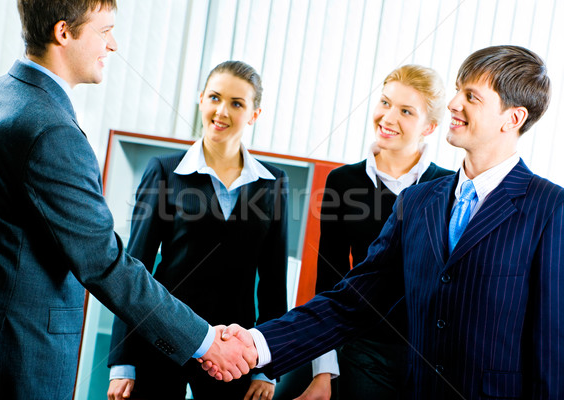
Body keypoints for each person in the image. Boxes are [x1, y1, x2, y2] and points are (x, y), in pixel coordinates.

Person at [209, 45, 564, 399]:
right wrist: (258, 343)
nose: (454, 103)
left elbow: (551, 345)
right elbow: (352, 299)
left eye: (471, 96)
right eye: (457, 90)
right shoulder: (419, 201)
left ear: (513, 118)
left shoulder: (550, 208)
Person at [0, 2, 254, 399]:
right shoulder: (50, 130)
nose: (113, 44)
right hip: (17, 355)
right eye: (105, 31)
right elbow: (105, 262)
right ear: (64, 33)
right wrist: (204, 340)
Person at [106, 60, 288, 400]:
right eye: (215, 97)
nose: (222, 111)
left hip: (233, 352)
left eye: (237, 103)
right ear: (201, 98)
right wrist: (122, 362)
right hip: (161, 336)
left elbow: (274, 283)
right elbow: (134, 269)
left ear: (254, 114)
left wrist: (267, 366)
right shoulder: (164, 170)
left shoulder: (273, 183)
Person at [293, 65, 453, 400]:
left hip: (430, 354)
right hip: (364, 349)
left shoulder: (450, 187)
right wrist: (323, 372)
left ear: (430, 127)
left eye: (406, 111)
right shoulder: (343, 182)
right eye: (384, 102)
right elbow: (330, 280)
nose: (387, 117)